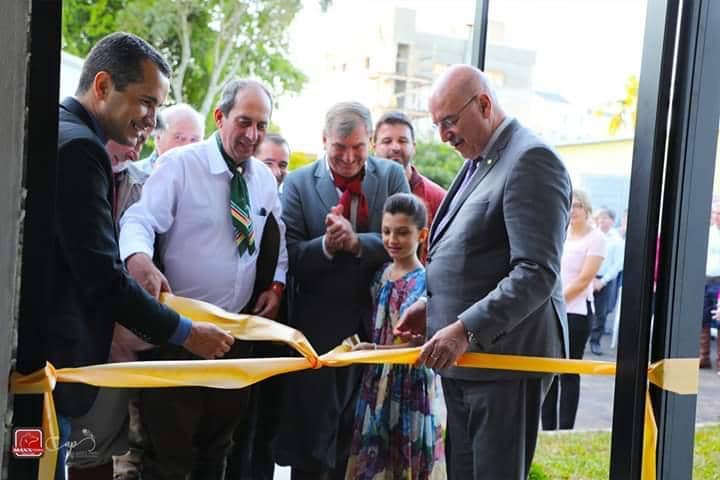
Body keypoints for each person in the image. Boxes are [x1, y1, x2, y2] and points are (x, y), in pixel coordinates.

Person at [52, 32, 234, 480]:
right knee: (37, 461)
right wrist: (186, 333)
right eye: (145, 102)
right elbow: (103, 279)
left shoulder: (60, 128)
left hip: (51, 368)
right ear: (101, 86)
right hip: (49, 371)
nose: (151, 121)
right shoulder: (80, 149)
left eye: (158, 108)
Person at [394, 64, 571, 479]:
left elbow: (535, 273)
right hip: (469, 362)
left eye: (450, 121)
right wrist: (432, 306)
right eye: (437, 125)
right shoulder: (482, 157)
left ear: (485, 103)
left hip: (505, 365)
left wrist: (464, 328)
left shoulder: (531, 160)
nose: (443, 136)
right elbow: (475, 256)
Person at [119, 78, 287, 479]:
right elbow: (139, 219)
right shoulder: (179, 165)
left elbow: (275, 239)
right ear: (220, 117)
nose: (252, 135)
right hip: (179, 335)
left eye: (261, 126)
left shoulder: (263, 180)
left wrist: (276, 285)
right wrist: (138, 257)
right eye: (243, 122)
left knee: (217, 451)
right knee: (170, 457)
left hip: (235, 336)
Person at [274, 101, 409, 479]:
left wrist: (357, 243)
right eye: (339, 148)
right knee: (314, 439)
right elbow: (292, 256)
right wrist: (328, 247)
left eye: (358, 148)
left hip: (378, 326)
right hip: (318, 328)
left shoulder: (392, 178)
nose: (349, 158)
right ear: (323, 141)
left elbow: (406, 244)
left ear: (369, 141)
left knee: (362, 434)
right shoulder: (299, 183)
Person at [345, 193, 446, 480]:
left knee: (405, 457)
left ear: (422, 235)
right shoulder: (380, 273)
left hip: (409, 382)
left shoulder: (425, 281)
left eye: (403, 232)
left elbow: (418, 341)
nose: (392, 240)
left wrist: (374, 348)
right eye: (387, 231)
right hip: (377, 378)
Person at [541, 189, 606, 430]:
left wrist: (556, 300)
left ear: (587, 209)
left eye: (578, 205)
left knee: (569, 371)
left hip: (577, 313)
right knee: (548, 368)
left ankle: (566, 428)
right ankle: (547, 427)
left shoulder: (596, 238)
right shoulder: (561, 233)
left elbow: (585, 278)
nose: (573, 210)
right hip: (552, 310)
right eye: (569, 205)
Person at [373, 111, 446, 262]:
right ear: (374, 146)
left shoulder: (439, 198)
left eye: (402, 140)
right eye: (387, 141)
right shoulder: (363, 192)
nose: (395, 147)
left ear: (413, 146)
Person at [589, 207, 624, 355]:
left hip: (606, 280)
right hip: (588, 277)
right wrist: (590, 278)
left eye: (605, 218)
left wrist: (602, 281)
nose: (602, 221)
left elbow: (617, 264)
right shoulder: (590, 234)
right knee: (583, 310)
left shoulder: (616, 239)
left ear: (612, 220)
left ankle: (595, 341)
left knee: (602, 313)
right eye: (599, 218)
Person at [136, 102, 205, 173]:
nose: (187, 146)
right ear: (158, 137)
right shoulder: (131, 177)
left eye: (194, 139)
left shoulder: (206, 179)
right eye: (178, 137)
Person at [701, 201, 720, 368]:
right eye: (714, 212)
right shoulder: (707, 233)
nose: (716, 216)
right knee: (703, 318)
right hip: (705, 280)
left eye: (719, 213)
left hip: (719, 282)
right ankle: (703, 357)